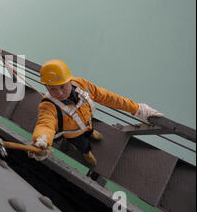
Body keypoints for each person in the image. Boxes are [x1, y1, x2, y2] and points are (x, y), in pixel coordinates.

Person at [28, 59, 163, 166]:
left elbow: (108, 97)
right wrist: (42, 140)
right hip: (73, 134)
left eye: (62, 86)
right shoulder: (48, 106)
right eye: (52, 89)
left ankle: (91, 132)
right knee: (82, 145)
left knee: (89, 129)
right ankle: (86, 153)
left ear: (70, 80)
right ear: (46, 87)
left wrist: (137, 109)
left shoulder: (82, 85)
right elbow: (45, 125)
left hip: (87, 123)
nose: (59, 93)